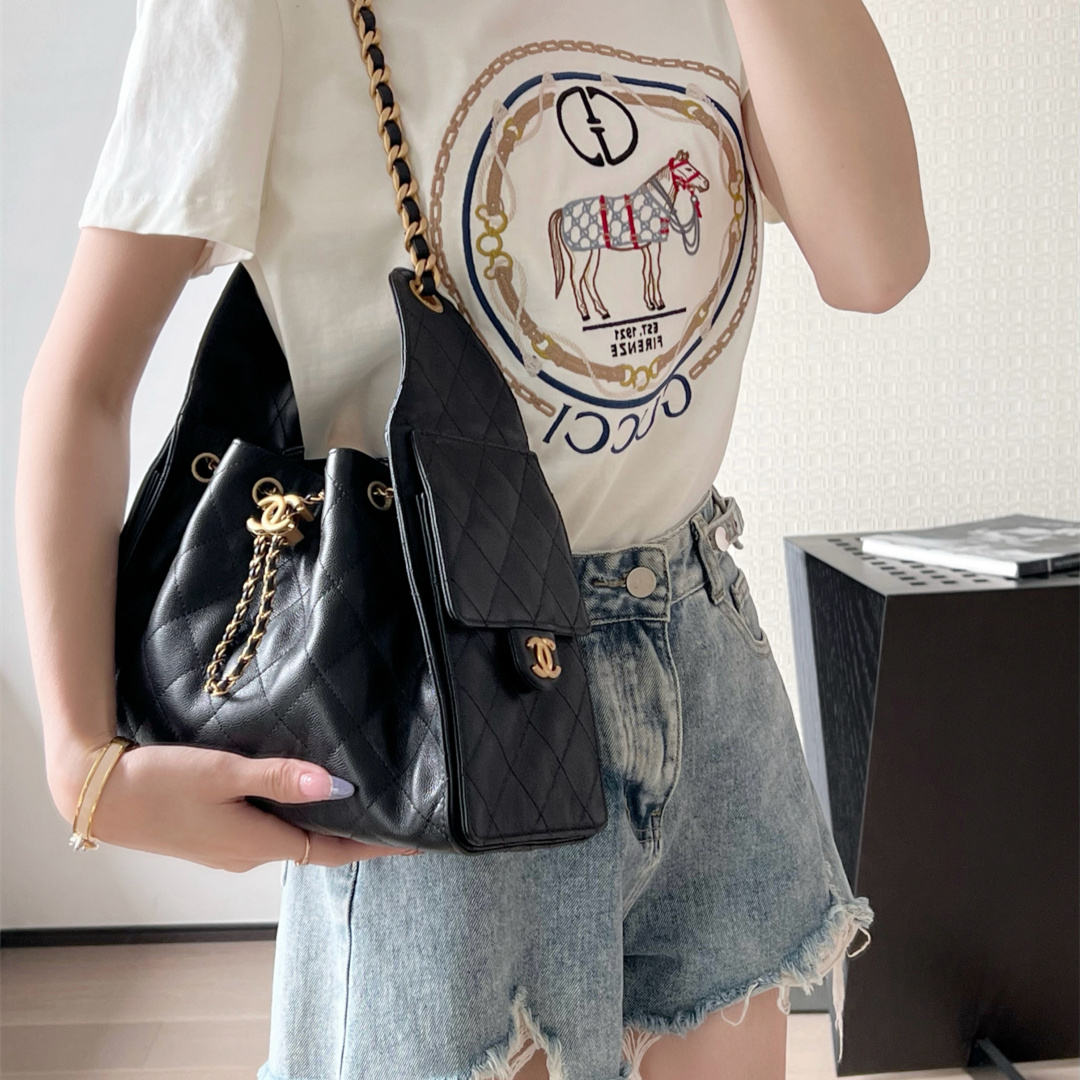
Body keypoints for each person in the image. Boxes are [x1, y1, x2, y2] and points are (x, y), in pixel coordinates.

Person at [15, 1, 929, 1078]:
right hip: (439, 686)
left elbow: (874, 264)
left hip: (703, 649)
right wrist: (79, 757)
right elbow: (87, 380)